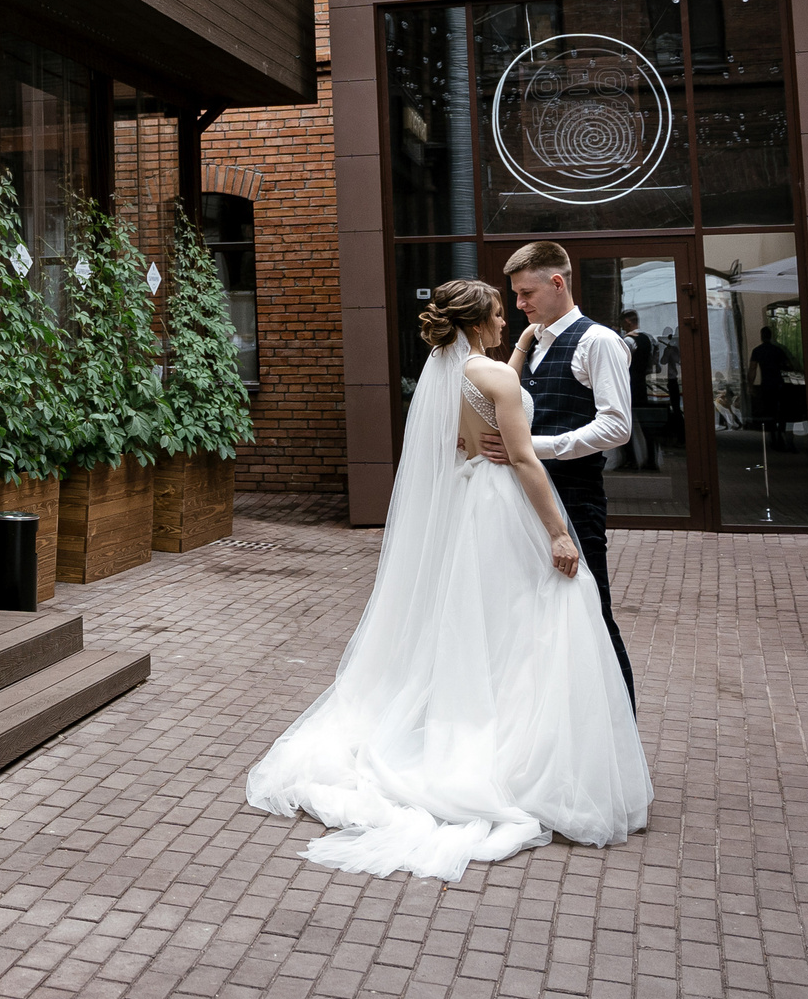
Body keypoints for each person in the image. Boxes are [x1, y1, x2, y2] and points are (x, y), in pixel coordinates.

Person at [245, 279, 651, 880]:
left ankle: (472, 722)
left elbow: (487, 386)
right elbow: (521, 457)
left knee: (481, 624)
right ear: (481, 319)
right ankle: (525, 752)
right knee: (535, 618)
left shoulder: (450, 370)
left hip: (468, 506)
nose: (509, 321)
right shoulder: (498, 379)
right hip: (506, 507)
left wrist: (518, 354)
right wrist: (558, 534)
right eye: (499, 312)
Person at [478, 241, 636, 704]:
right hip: (529, 498)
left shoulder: (598, 341)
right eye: (516, 296)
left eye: (526, 294)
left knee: (591, 610)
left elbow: (616, 426)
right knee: (542, 614)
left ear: (557, 282)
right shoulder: (534, 341)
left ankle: (620, 725)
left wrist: (531, 448)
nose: (520, 304)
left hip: (575, 495)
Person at [614, 310, 659, 473]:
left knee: (626, 422)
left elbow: (621, 365)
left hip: (628, 385)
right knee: (646, 424)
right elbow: (654, 365)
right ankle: (651, 460)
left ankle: (631, 460)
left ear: (627, 321)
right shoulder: (649, 339)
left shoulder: (627, 341)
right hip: (642, 385)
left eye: (622, 322)